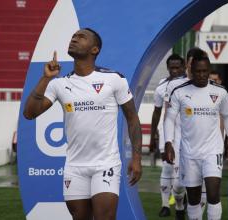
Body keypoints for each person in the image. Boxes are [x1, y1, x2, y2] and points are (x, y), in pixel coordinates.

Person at [23, 28, 142, 220]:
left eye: (81, 37)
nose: (74, 39)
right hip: (74, 166)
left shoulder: (113, 79)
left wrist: (136, 158)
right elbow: (29, 113)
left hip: (106, 163)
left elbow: (132, 118)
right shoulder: (58, 84)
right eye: (73, 37)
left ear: (94, 49)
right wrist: (46, 78)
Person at [164, 55, 228, 220]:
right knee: (194, 198)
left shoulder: (220, 92)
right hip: (189, 152)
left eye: (205, 71)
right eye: (198, 71)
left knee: (212, 193)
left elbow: (227, 116)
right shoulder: (180, 92)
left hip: (213, 150)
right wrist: (169, 142)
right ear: (191, 71)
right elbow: (169, 118)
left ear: (209, 70)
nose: (202, 75)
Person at [149, 54, 187, 219]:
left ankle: (180, 204)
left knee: (184, 173)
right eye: (172, 67)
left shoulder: (191, 84)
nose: (175, 70)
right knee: (167, 167)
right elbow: (157, 112)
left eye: (178, 67)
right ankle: (165, 205)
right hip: (167, 134)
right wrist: (152, 136)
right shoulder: (161, 87)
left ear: (184, 66)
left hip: (188, 134)